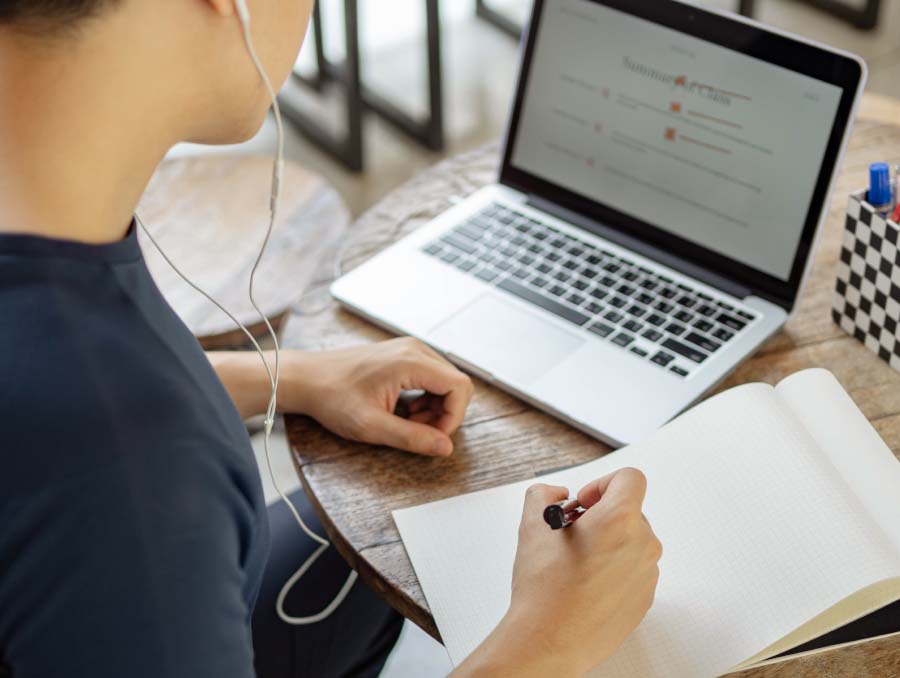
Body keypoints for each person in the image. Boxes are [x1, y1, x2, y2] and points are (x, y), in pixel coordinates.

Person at [0, 1, 663, 676]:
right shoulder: (132, 466)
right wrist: (552, 636)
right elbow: (92, 432)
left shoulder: (46, 240)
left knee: (364, 540)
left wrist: (291, 377)